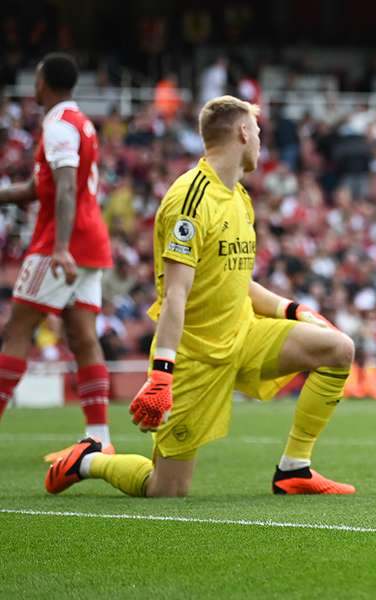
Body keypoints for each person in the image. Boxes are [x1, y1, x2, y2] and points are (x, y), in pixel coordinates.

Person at [45, 95, 357, 497]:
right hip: (196, 356)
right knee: (166, 490)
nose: (261, 141)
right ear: (243, 132)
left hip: (244, 336)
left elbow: (237, 280)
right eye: (258, 132)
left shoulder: (239, 195)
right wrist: (162, 375)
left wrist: (295, 310)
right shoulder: (190, 199)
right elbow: (176, 294)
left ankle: (294, 469)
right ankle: (89, 459)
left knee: (338, 349)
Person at [0, 53, 115, 461]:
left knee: (16, 331)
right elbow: (39, 187)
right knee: (84, 338)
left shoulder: (59, 126)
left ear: (44, 82)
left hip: (59, 244)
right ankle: (99, 436)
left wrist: (61, 247)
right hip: (92, 242)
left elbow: (65, 188)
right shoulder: (80, 122)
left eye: (35, 75)